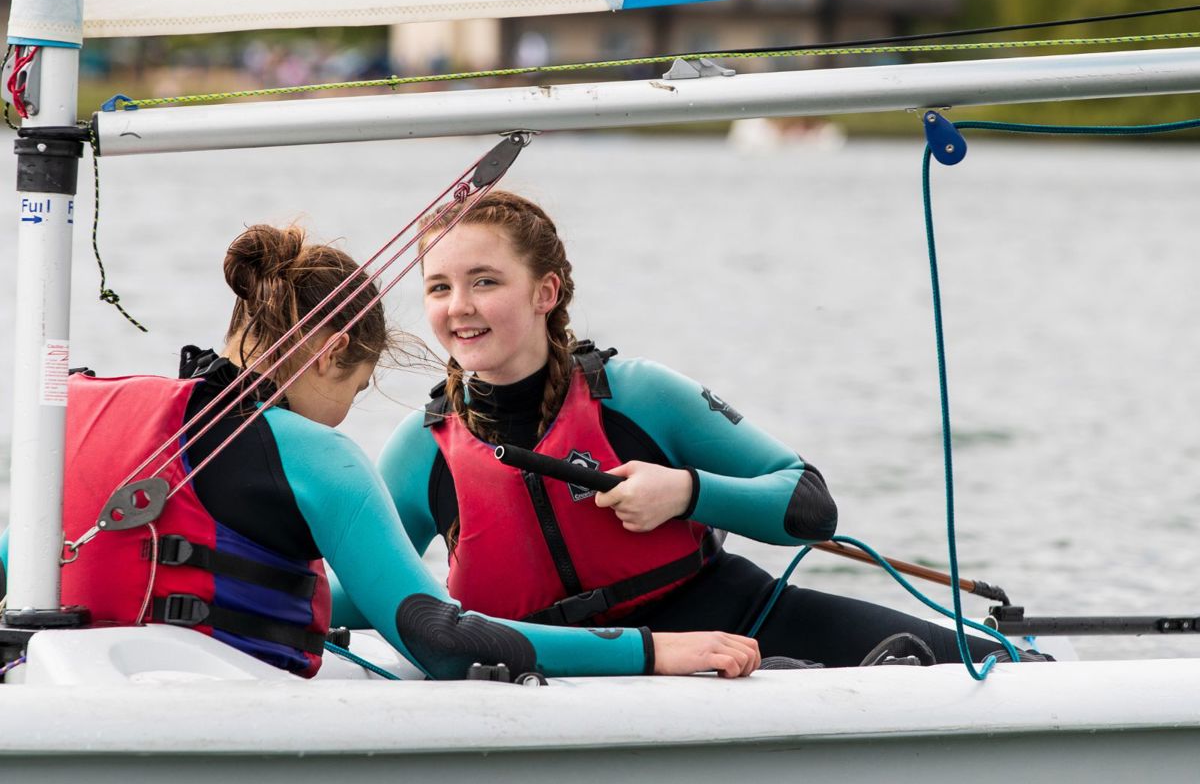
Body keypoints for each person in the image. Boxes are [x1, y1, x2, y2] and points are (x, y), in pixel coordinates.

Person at [0, 223, 759, 681]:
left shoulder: (78, 412)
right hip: (200, 707)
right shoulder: (318, 457)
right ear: (331, 354)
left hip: (55, 690)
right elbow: (440, 640)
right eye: (359, 388)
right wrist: (652, 653)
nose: (348, 414)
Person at [378, 191, 1024, 668]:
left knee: (1009, 671)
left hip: (741, 618)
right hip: (556, 668)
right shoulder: (421, 449)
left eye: (484, 281)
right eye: (438, 288)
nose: (458, 306)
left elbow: (810, 507)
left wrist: (685, 492)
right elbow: (369, 594)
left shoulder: (637, 395)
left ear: (545, 293)